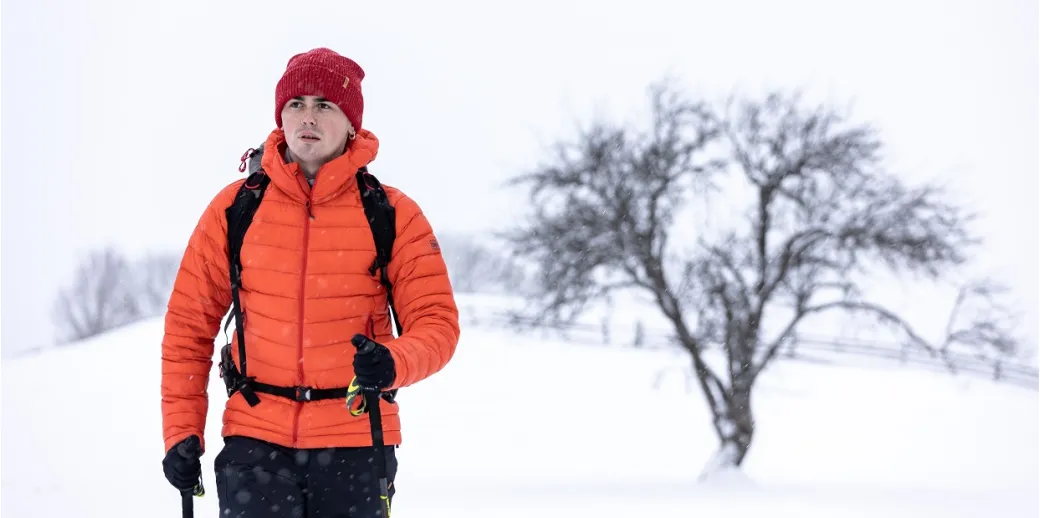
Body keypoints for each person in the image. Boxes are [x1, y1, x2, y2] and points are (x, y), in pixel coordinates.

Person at [159, 47, 461, 517]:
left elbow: (438, 324)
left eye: (325, 105)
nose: (308, 116)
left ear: (351, 122)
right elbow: (187, 329)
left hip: (357, 444)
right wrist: (182, 431)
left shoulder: (393, 213)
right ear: (281, 116)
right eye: (296, 103)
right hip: (254, 446)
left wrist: (393, 362)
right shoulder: (234, 208)